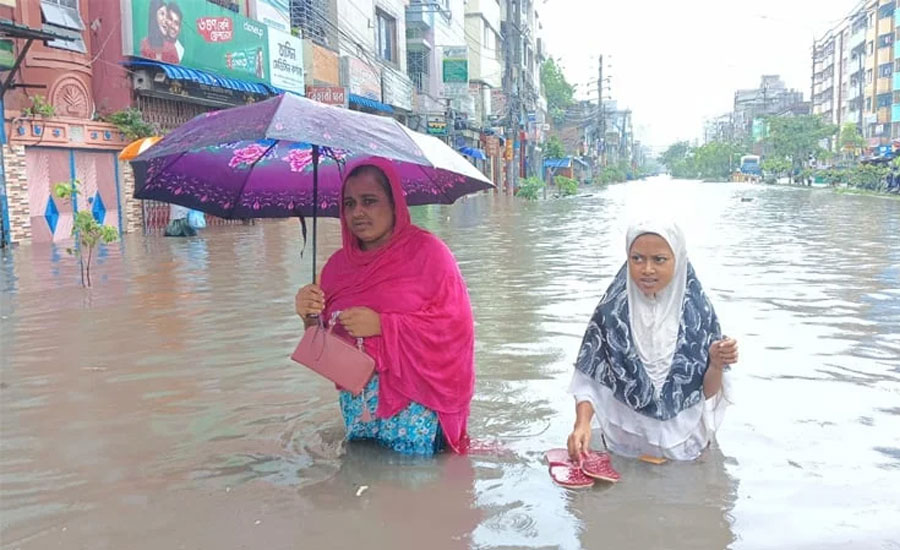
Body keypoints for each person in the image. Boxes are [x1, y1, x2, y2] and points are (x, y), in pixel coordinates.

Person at [294, 158, 475, 456]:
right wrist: (308, 316)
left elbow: (455, 328)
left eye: (369, 201)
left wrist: (384, 325)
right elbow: (323, 352)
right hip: (357, 405)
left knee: (416, 486)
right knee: (361, 484)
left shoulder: (430, 254)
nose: (358, 212)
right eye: (349, 204)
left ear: (395, 204)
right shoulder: (336, 268)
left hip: (416, 405)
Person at [566, 219, 739, 461]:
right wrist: (581, 424)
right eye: (637, 259)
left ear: (677, 260)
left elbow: (706, 392)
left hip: (685, 450)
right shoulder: (610, 313)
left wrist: (716, 364)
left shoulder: (699, 315)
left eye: (659, 260)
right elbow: (589, 381)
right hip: (624, 448)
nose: (647, 269)